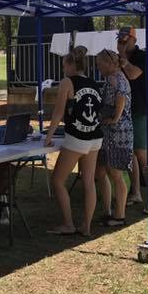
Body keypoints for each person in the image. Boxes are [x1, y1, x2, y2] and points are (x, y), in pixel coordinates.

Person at [45, 46, 102, 237]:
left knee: (58, 180)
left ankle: (68, 223)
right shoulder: (94, 82)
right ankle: (86, 226)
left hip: (77, 137)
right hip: (95, 136)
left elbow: (58, 112)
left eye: (64, 66)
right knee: (88, 181)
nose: (63, 70)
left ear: (71, 65)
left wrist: (49, 136)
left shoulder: (66, 82)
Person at [95, 49, 132, 227]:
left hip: (118, 132)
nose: (98, 68)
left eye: (100, 64)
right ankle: (108, 211)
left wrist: (115, 118)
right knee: (102, 172)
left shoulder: (116, 79)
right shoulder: (113, 78)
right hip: (108, 132)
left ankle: (119, 215)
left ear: (109, 64)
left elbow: (121, 98)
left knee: (116, 174)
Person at [116, 26, 148, 210]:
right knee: (131, 153)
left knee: (141, 153)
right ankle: (135, 192)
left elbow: (134, 74)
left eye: (125, 40)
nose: (121, 42)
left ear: (133, 40)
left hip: (138, 108)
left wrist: (123, 59)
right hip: (125, 109)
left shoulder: (141, 56)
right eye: (120, 39)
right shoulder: (121, 56)